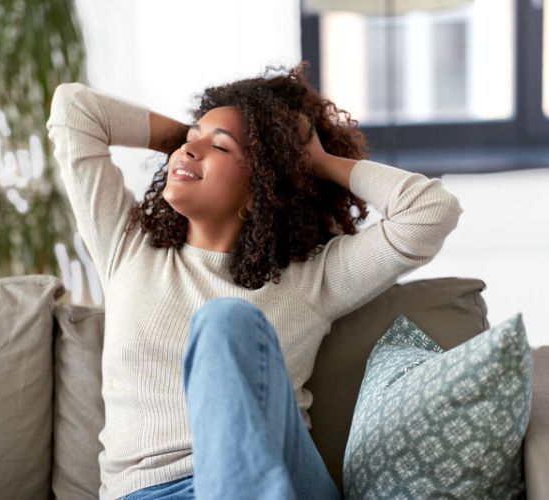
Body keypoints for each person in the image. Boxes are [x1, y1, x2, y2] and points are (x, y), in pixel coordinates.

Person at [45, 61, 463, 500]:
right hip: (148, 492)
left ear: (262, 184)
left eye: (221, 149)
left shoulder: (309, 280)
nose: (187, 151)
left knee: (225, 321)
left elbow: (431, 212)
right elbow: (75, 110)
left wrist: (313, 162)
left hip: (280, 479)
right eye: (189, 141)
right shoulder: (126, 247)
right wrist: (196, 142)